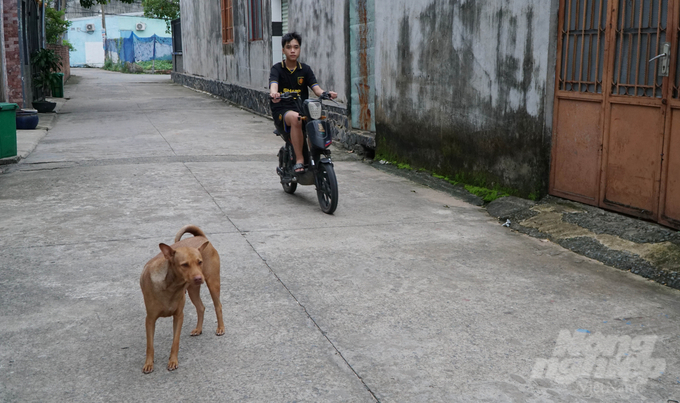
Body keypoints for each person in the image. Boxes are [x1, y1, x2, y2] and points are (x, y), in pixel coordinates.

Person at [269, 32, 337, 173]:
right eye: (289, 47)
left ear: (300, 49)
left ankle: (315, 155)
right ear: (283, 50)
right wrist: (274, 93)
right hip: (282, 110)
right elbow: (273, 85)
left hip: (302, 108)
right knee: (296, 118)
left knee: (315, 121)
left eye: (296, 47)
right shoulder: (277, 69)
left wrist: (326, 93)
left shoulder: (305, 69)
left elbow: (316, 88)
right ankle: (299, 160)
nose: (292, 50)